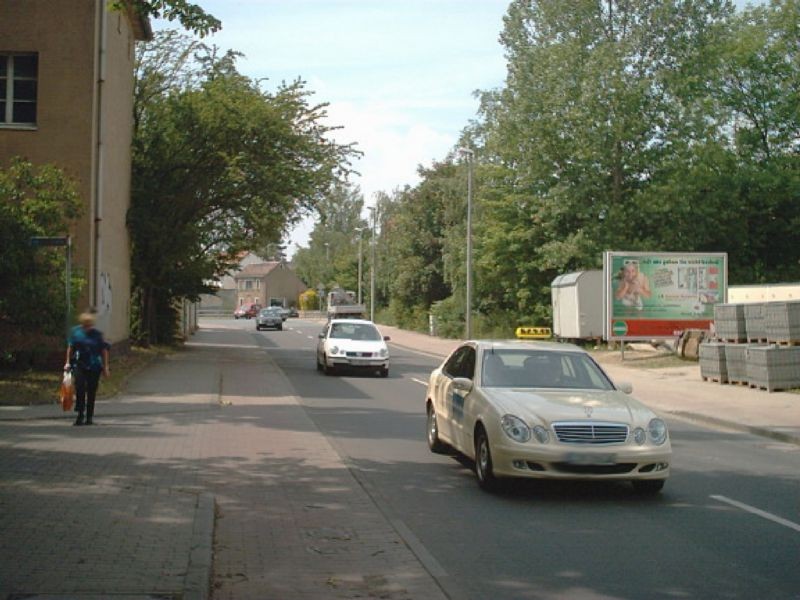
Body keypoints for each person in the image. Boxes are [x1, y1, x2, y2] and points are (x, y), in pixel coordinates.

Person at [64, 311, 110, 426]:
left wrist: (105, 367)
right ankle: (80, 415)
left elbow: (104, 351)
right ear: (82, 323)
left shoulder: (97, 334)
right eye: (85, 325)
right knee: (80, 388)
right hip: (80, 364)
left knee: (91, 391)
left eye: (89, 324)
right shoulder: (76, 332)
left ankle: (89, 416)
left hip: (94, 365)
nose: (87, 327)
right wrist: (68, 362)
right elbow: (70, 347)